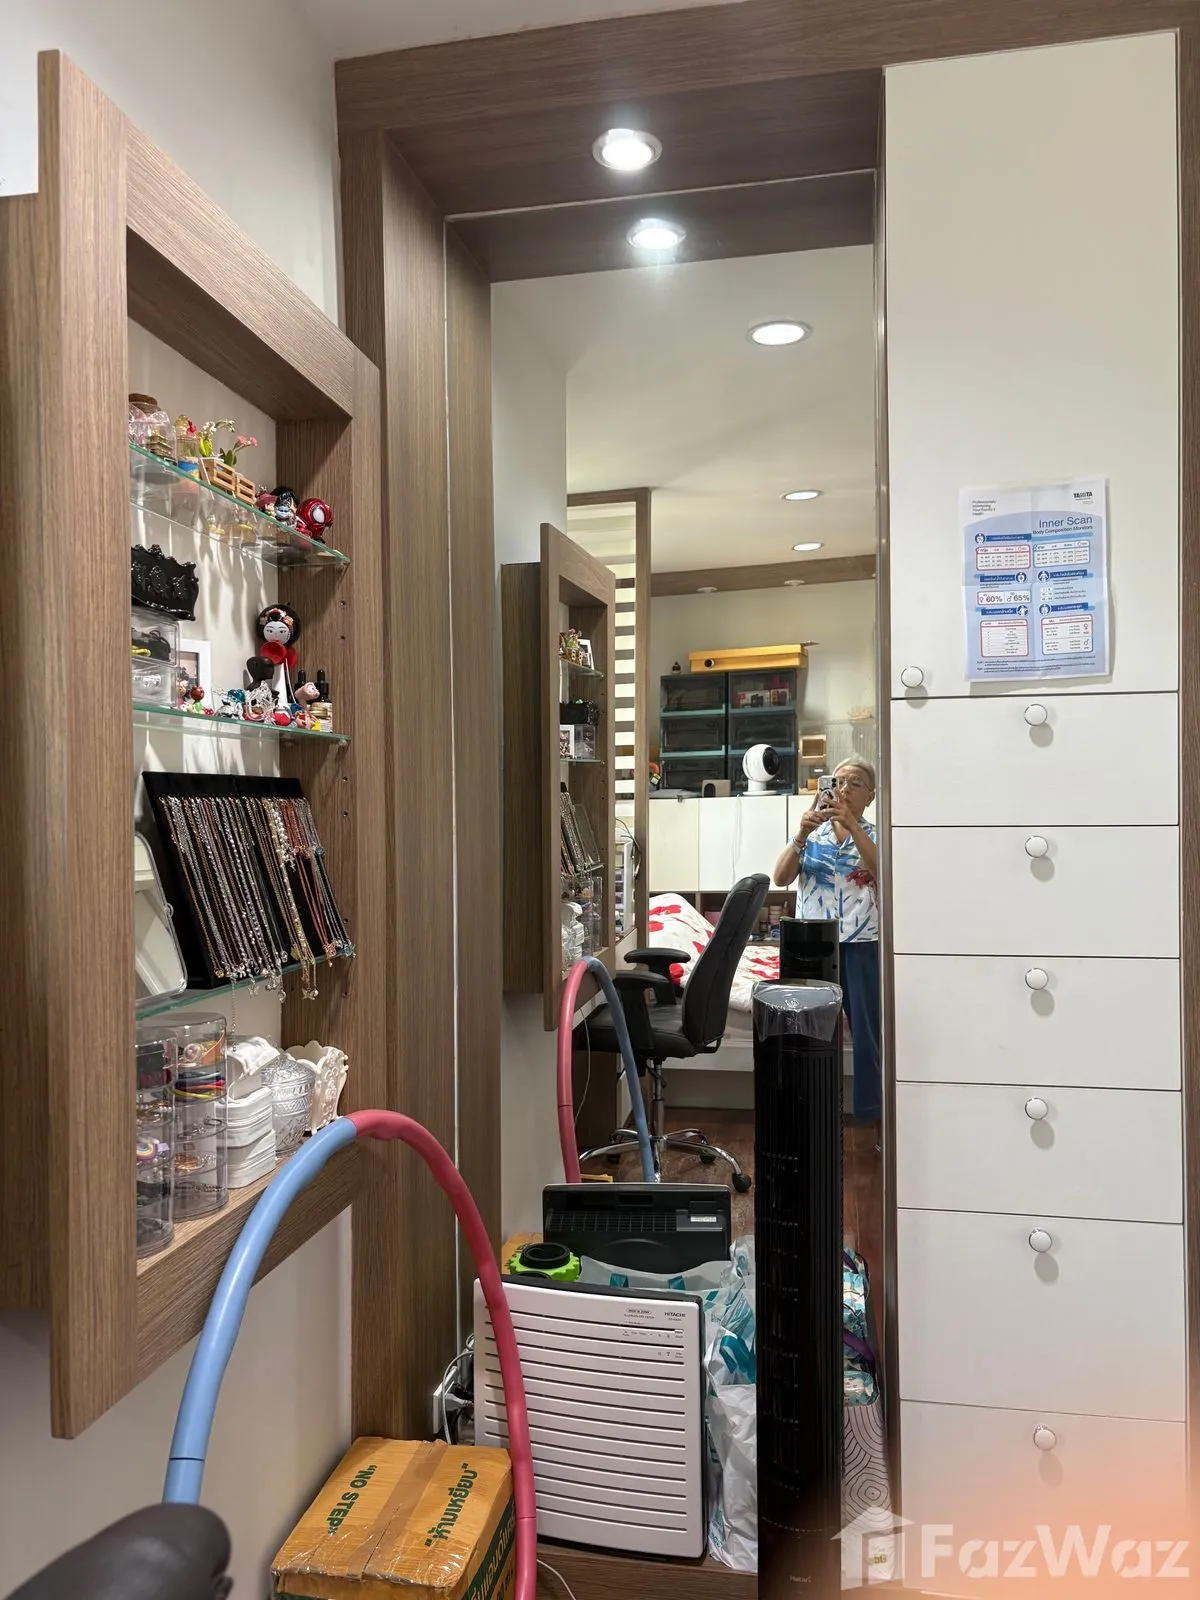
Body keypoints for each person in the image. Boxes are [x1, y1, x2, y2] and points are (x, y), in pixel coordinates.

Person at [773, 760, 881, 1124]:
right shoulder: (813, 834)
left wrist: (852, 825)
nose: (845, 788)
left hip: (861, 943)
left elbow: (884, 872)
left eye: (856, 783)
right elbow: (781, 877)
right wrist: (800, 834)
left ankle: (871, 1116)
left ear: (870, 796)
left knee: (867, 1033)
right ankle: (808, 1111)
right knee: (809, 1033)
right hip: (811, 945)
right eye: (839, 781)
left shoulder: (876, 835)